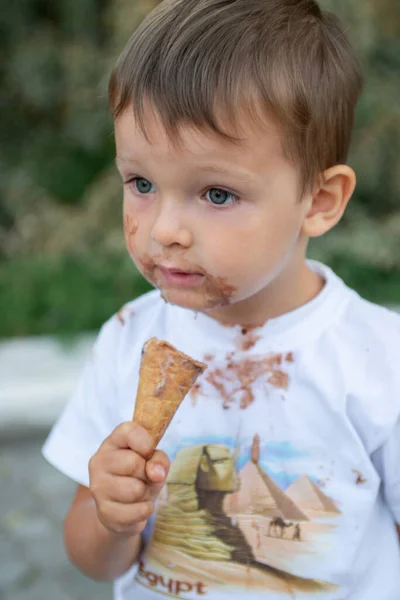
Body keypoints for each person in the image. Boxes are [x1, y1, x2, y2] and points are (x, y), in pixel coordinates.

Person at [42, 0, 400, 598]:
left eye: (215, 193)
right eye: (142, 184)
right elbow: (93, 560)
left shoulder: (378, 360)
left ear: (319, 201)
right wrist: (111, 517)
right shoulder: (131, 338)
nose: (163, 231)